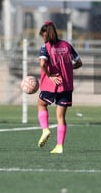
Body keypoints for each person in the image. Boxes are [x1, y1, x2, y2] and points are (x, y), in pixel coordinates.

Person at [36, 21, 82, 154]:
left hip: (52, 84)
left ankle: (45, 129)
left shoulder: (46, 47)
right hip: (66, 85)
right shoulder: (67, 45)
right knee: (61, 117)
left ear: (45, 35)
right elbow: (79, 62)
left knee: (41, 104)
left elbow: (43, 63)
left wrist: (49, 75)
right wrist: (68, 68)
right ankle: (59, 146)